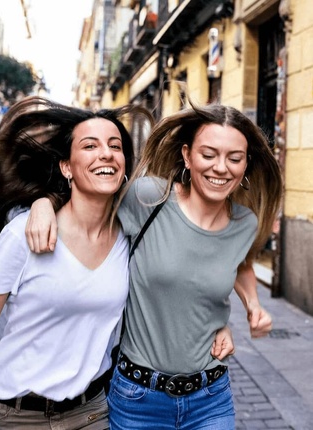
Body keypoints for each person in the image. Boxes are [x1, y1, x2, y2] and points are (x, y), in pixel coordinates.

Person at [0, 96, 234, 430]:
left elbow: (183, 275)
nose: (106, 153)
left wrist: (217, 320)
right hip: (16, 417)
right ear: (66, 167)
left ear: (124, 166)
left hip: (92, 414)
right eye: (90, 145)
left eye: (115, 146)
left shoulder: (131, 236)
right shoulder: (24, 235)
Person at [26, 101, 281, 429]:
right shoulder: (148, 199)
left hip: (211, 398)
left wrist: (252, 304)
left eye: (235, 158)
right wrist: (43, 203)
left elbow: (239, 263)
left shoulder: (244, 223)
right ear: (187, 156)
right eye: (209, 154)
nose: (222, 167)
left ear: (246, 164)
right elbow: (90, 203)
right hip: (138, 400)